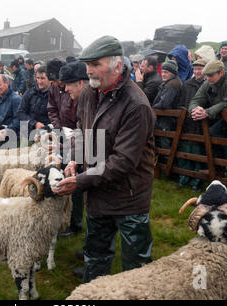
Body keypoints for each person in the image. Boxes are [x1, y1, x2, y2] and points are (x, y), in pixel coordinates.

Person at [55, 36, 155, 283]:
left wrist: (81, 180)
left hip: (128, 197)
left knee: (136, 266)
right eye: (88, 64)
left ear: (117, 66)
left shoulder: (136, 105)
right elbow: (81, 128)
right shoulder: (90, 92)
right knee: (95, 256)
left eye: (95, 64)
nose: (89, 70)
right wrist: (75, 160)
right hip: (97, 192)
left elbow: (123, 161)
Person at [188, 60, 227, 177]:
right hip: (225, 119)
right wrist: (195, 110)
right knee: (213, 135)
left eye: (210, 75)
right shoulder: (208, 83)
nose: (208, 78)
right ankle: (220, 170)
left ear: (221, 72)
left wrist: (207, 112)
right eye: (206, 76)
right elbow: (196, 100)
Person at [48, 61, 86, 238]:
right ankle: (62, 219)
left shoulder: (79, 94)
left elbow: (82, 119)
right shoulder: (55, 88)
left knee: (76, 179)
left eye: (58, 82)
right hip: (65, 134)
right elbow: (52, 109)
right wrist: (58, 128)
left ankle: (75, 222)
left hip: (77, 136)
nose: (58, 85)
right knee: (63, 175)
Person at [177, 59, 208, 191]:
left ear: (205, 70)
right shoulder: (187, 84)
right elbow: (182, 102)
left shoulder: (208, 85)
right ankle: (184, 179)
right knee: (185, 152)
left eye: (200, 69)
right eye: (195, 69)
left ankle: (197, 181)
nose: (197, 71)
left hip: (202, 125)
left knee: (199, 154)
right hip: (188, 124)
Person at [152, 60, 182, 164]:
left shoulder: (172, 85)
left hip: (168, 121)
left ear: (172, 73)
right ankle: (166, 169)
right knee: (165, 144)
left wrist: (151, 109)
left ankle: (169, 170)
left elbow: (164, 103)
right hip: (166, 119)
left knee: (166, 145)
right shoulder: (170, 82)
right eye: (162, 72)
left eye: (166, 72)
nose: (163, 74)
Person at [17, 65, 52, 136]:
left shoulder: (55, 94)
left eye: (42, 78)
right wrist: (34, 123)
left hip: (49, 133)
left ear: (50, 79)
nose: (39, 81)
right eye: (38, 78)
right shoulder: (29, 92)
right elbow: (20, 112)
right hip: (30, 132)